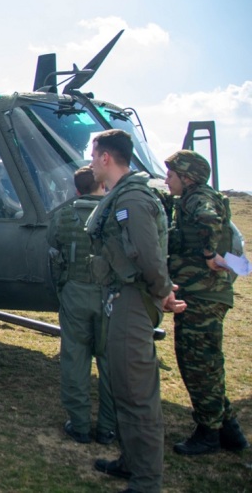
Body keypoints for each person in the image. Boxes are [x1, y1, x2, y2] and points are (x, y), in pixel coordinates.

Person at [86, 129, 186, 492]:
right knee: (124, 388)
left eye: (93, 155)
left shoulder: (134, 199)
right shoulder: (121, 197)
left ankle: (147, 479)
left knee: (138, 394)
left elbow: (148, 255)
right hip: (120, 298)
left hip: (132, 301)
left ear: (106, 158)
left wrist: (163, 293)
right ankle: (131, 461)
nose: (91, 162)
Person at [163, 150, 248, 455]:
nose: (167, 180)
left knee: (198, 365)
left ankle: (208, 433)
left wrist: (210, 255)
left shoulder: (198, 198)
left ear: (187, 178)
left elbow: (208, 218)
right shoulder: (193, 198)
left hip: (203, 294)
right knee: (207, 364)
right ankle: (230, 430)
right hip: (204, 293)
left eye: (171, 175)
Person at [47, 166, 116, 445]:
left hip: (75, 292)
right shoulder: (115, 214)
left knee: (75, 359)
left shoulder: (64, 216)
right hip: (111, 296)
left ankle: (79, 425)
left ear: (76, 190)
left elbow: (53, 246)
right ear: (103, 185)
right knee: (110, 361)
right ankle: (109, 427)